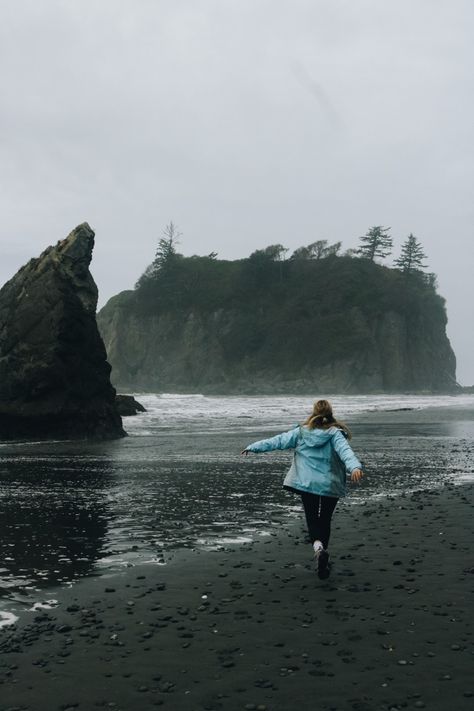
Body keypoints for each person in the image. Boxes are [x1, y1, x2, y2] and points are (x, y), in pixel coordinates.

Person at [241, 399, 364, 579]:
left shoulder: (301, 433)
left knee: (312, 518)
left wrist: (253, 447)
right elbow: (346, 452)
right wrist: (355, 467)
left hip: (308, 484)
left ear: (314, 412)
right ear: (331, 413)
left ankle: (318, 550)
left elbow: (277, 441)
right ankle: (323, 553)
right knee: (325, 519)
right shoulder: (335, 434)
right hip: (330, 484)